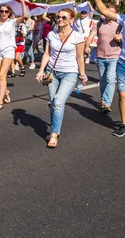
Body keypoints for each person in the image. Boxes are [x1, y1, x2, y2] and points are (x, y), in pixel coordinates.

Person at [35, 8, 87, 148]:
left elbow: (79, 57)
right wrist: (41, 70)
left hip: (70, 72)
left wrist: (82, 74)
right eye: (58, 17)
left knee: (58, 102)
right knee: (53, 103)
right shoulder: (51, 35)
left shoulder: (77, 36)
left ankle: (54, 134)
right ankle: (54, 129)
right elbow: (47, 54)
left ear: (71, 20)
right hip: (52, 72)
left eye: (64, 17)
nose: (60, 19)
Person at [90, 0, 125, 137]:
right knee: (122, 94)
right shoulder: (123, 19)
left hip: (115, 57)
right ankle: (124, 124)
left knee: (113, 82)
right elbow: (103, 10)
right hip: (121, 61)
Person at [0, 0, 28, 110]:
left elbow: (24, 15)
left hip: (8, 49)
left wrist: (22, 2)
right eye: (2, 11)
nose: (4, 13)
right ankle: (5, 91)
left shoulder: (12, 22)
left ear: (9, 13)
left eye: (6, 11)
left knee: (2, 75)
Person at [85, 6, 123, 114]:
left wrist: (119, 39)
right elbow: (90, 36)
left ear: (116, 14)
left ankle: (106, 103)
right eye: (107, 12)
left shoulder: (120, 25)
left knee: (110, 79)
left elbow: (123, 41)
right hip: (100, 55)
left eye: (111, 13)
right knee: (103, 79)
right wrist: (87, 46)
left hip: (114, 56)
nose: (108, 14)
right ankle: (103, 99)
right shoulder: (99, 24)